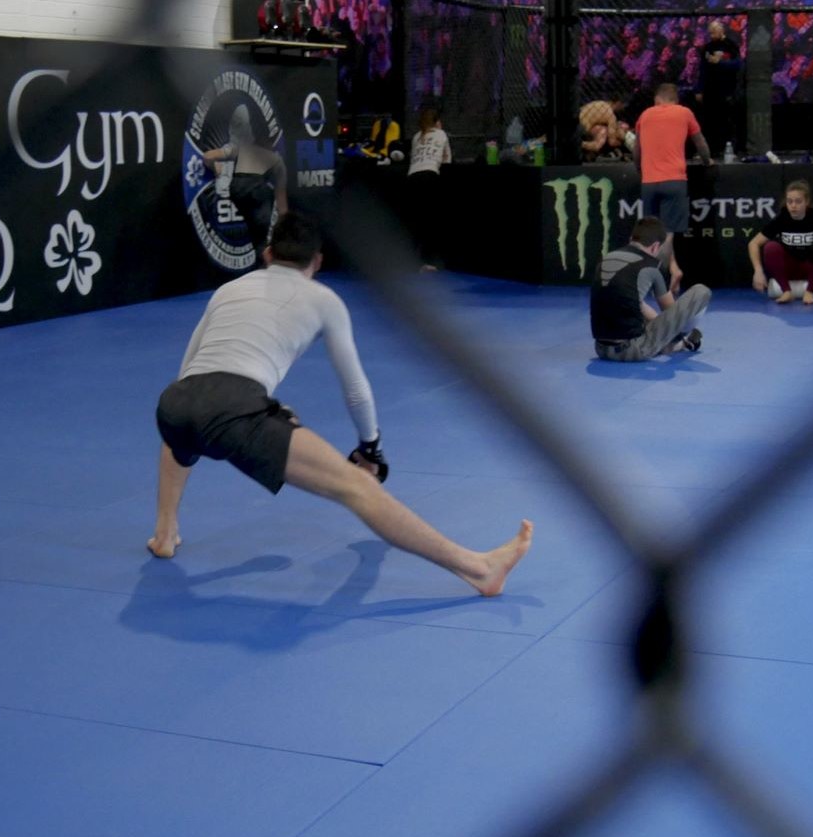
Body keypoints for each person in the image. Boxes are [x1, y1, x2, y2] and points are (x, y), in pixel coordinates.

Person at [149, 211, 532, 597]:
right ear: (316, 262)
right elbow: (356, 390)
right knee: (358, 488)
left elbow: (191, 377)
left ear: (267, 254)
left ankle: (165, 532)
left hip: (174, 404)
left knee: (183, 433)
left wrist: (258, 408)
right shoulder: (323, 299)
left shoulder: (228, 290)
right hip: (233, 409)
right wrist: (370, 446)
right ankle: (480, 570)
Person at [590, 216, 711, 363]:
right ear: (655, 247)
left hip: (601, 349)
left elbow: (634, 302)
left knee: (630, 305)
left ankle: (674, 342)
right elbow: (672, 314)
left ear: (631, 239)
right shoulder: (655, 266)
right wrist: (678, 334)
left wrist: (656, 324)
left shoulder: (606, 258)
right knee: (701, 291)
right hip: (633, 351)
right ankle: (681, 341)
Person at [204, 105, 288, 266]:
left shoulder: (239, 149)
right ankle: (267, 266)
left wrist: (216, 168)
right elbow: (282, 204)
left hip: (238, 189)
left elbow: (208, 157)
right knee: (261, 239)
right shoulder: (275, 161)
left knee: (258, 236)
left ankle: (265, 262)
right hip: (255, 191)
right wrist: (284, 228)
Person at [747, 179, 813, 305]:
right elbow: (753, 243)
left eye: (798, 202)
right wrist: (758, 271)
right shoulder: (782, 218)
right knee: (771, 247)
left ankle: (809, 292)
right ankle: (786, 291)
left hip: (812, 269)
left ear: (806, 202)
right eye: (789, 201)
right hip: (790, 269)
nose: (793, 206)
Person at [633, 83, 712, 239]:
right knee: (669, 234)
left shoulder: (645, 115)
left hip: (649, 182)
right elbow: (700, 143)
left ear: (657, 99)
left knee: (652, 234)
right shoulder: (684, 113)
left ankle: (658, 256)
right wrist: (707, 161)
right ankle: (667, 256)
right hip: (674, 180)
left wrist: (639, 169)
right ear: (675, 100)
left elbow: (637, 150)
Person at [406, 107, 451, 272]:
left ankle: (412, 260)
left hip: (413, 176)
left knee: (414, 220)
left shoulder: (417, 136)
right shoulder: (441, 134)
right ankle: (427, 261)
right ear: (437, 122)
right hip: (429, 175)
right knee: (429, 220)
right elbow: (447, 160)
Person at [695, 20, 742, 155]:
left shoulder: (731, 45)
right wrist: (699, 89)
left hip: (727, 88)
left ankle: (730, 149)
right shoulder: (708, 47)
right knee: (710, 120)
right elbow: (703, 69)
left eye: (714, 32)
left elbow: (737, 64)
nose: (712, 35)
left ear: (722, 30)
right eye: (710, 32)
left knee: (728, 121)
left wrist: (720, 62)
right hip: (710, 89)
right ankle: (711, 149)